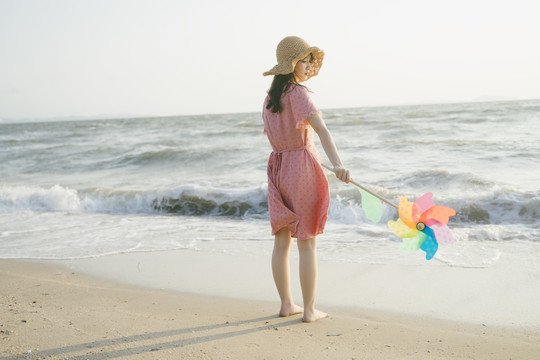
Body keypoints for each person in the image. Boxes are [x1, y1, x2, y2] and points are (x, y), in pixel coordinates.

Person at [262, 36, 351, 322]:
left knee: (282, 240)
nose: (309, 65)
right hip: (301, 166)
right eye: (305, 60)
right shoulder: (298, 93)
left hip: (278, 167)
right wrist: (338, 165)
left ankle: (287, 304)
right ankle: (310, 310)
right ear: (292, 65)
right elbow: (322, 130)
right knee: (307, 242)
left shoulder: (269, 99)